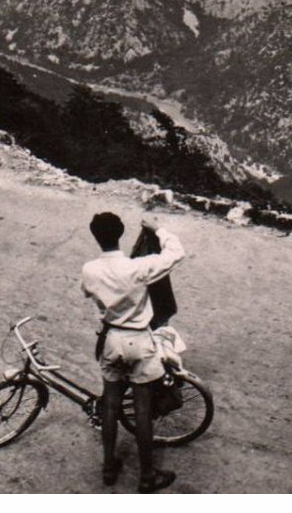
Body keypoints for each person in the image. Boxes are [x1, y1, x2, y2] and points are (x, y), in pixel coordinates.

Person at [80, 211, 185, 492]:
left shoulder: (89, 269)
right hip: (140, 341)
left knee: (111, 405)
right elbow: (176, 253)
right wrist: (157, 229)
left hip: (112, 339)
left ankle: (108, 467)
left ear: (95, 236)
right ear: (121, 233)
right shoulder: (138, 268)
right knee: (142, 408)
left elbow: (90, 294)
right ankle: (147, 475)